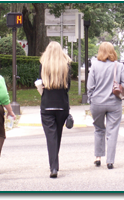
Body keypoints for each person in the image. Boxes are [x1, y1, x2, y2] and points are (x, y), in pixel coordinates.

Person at [87, 42, 124, 169]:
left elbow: (90, 87)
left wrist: (91, 100)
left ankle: (98, 157)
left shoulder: (94, 66)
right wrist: (122, 96)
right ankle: (110, 161)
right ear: (113, 51)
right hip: (114, 103)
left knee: (98, 129)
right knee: (112, 131)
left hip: (97, 103)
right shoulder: (119, 66)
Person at [38, 41, 72, 178]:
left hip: (47, 105)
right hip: (62, 105)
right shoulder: (66, 67)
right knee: (57, 135)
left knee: (50, 137)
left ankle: (53, 167)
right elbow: (68, 87)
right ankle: (54, 165)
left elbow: (40, 82)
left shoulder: (43, 66)